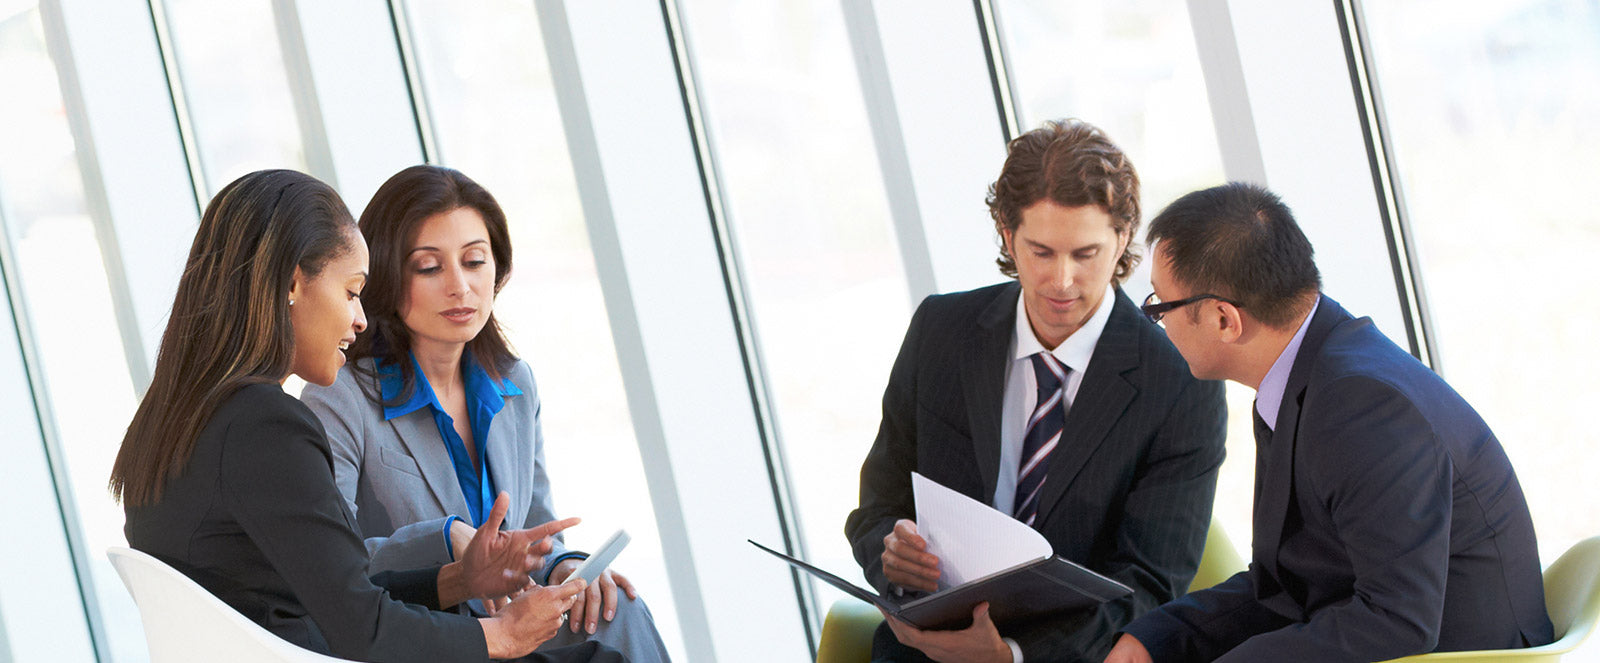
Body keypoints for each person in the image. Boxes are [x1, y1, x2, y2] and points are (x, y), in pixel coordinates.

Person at [112, 169, 624, 663]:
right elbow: (364, 628)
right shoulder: (266, 426)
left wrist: (459, 580)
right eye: (352, 292)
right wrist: (503, 635)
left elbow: (334, 591)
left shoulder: (174, 422)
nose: (359, 319)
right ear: (293, 284)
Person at [1105, 182, 1554, 662]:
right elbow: (1285, 587)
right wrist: (1158, 637)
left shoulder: (1361, 406)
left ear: (1223, 320)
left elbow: (1395, 621)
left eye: (1160, 306)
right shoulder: (1305, 377)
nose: (1156, 320)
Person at [845, 119, 1229, 663]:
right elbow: (878, 501)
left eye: (1086, 254)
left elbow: (1150, 584)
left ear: (1122, 239)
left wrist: (1012, 655)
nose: (1062, 281)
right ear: (1007, 234)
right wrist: (890, 550)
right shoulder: (941, 331)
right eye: (1042, 252)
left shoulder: (1179, 384)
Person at [300, 165, 670, 663]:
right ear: (385, 275)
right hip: (427, 635)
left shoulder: (515, 384)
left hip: (517, 623)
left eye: (474, 261)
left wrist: (567, 568)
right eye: (429, 267)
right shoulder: (341, 398)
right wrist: (446, 539)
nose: (460, 287)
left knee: (615, 608)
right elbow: (332, 565)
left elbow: (540, 526)